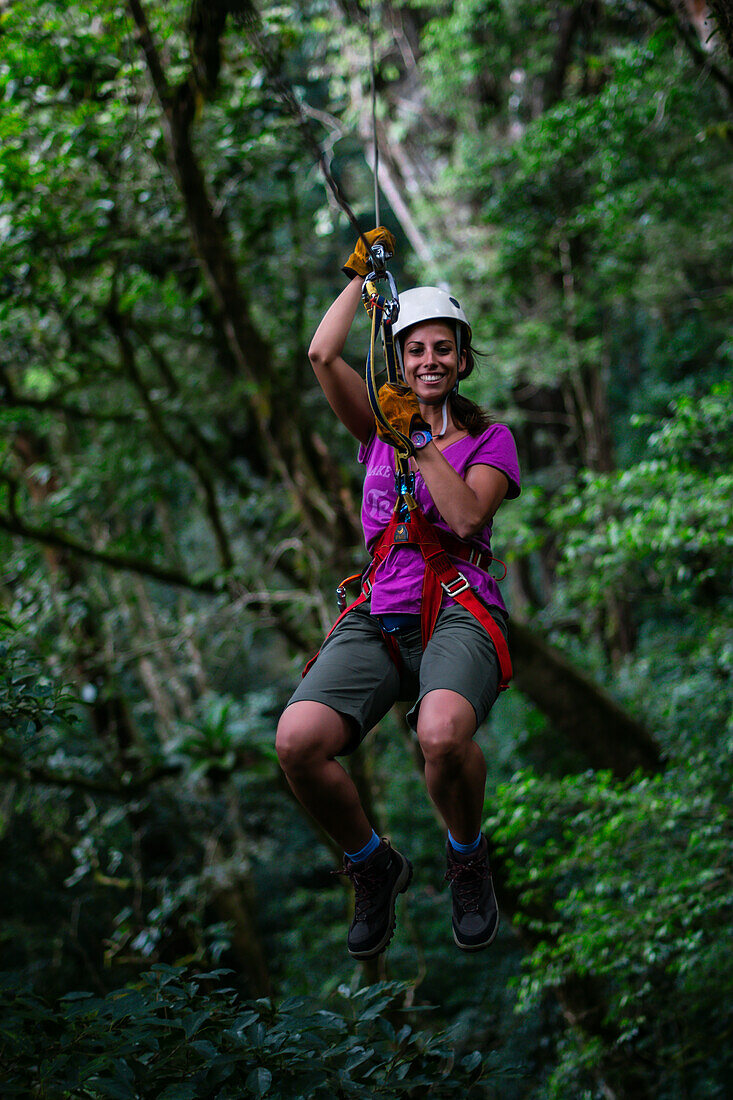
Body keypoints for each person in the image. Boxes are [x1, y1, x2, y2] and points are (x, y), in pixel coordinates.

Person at [276, 227, 521, 959]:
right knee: (297, 743)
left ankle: (466, 855)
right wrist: (361, 277)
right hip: (380, 612)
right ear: (399, 357)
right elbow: (321, 355)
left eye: (441, 348)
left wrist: (417, 440)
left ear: (461, 358)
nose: (428, 360)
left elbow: (469, 516)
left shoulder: (488, 438)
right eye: (414, 349)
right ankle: (369, 864)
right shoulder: (379, 427)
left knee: (441, 735)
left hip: (456, 608)